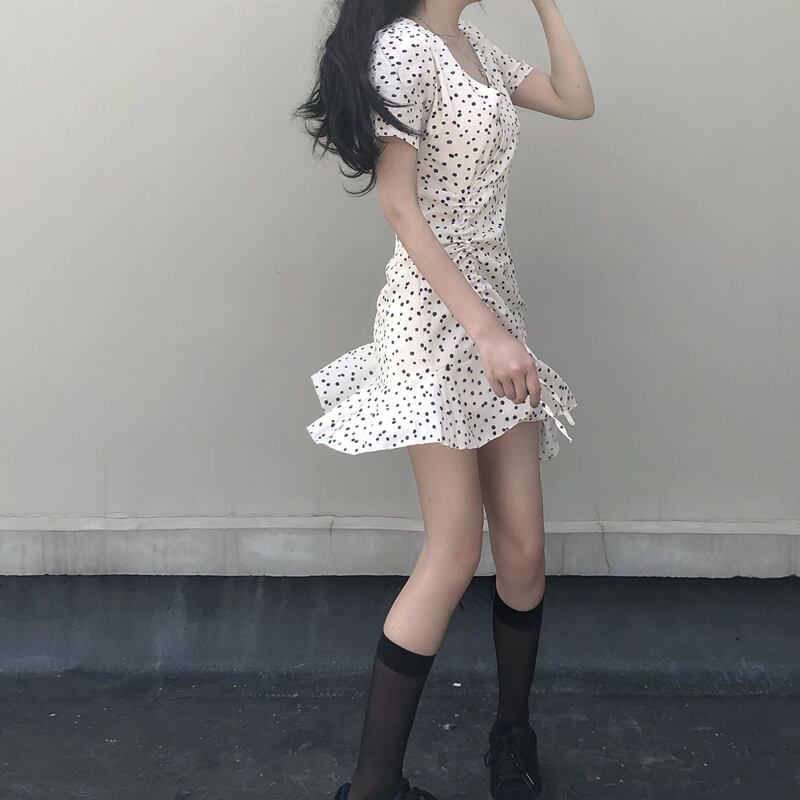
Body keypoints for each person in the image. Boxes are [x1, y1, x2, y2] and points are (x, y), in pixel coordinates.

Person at [294, 1, 593, 798]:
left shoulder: (474, 46)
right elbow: (399, 203)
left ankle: (512, 734)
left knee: (523, 550)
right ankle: (372, 788)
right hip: (435, 318)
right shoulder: (404, 48)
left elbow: (575, 99)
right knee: (455, 549)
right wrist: (484, 331)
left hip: (494, 304)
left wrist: (546, 3)